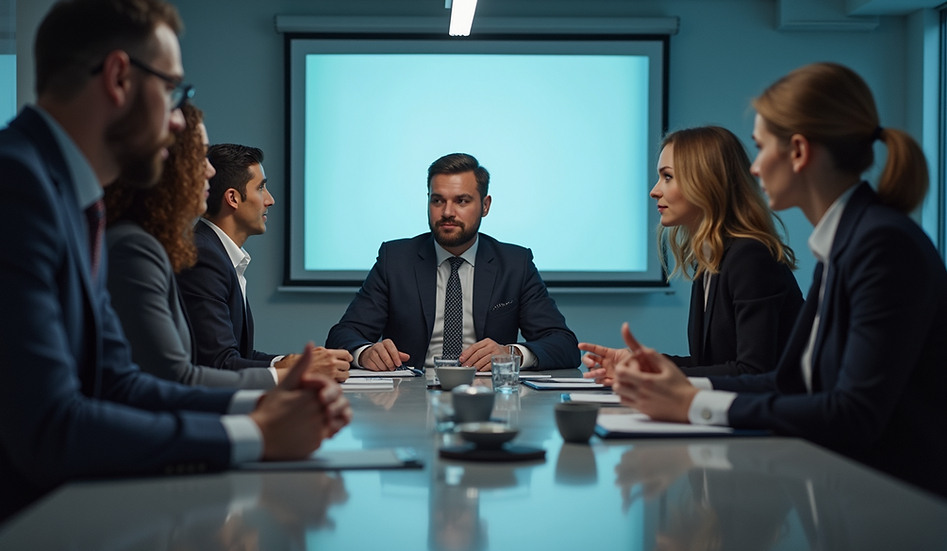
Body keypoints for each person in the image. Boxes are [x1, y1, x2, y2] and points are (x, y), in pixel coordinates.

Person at [0, 0, 350, 541]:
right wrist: (256, 435)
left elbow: (119, 383)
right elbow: (52, 428)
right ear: (120, 77)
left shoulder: (75, 198)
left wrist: (268, 401)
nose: (177, 121)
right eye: (174, 91)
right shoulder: (10, 185)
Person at [608, 62, 947, 497]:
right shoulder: (843, 242)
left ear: (800, 152)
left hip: (892, 505)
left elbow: (854, 414)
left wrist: (692, 403)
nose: (753, 168)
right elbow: (789, 380)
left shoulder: (880, 245)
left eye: (761, 147)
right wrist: (673, 384)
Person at [582, 127, 803, 382]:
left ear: (706, 183)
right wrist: (640, 365)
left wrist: (651, 378)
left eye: (667, 177)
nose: (654, 191)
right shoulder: (711, 256)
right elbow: (710, 365)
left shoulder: (749, 256)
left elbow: (753, 371)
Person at [326, 152, 579, 371]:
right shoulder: (395, 260)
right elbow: (342, 335)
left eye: (461, 201)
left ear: (485, 206)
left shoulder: (514, 264)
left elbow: (563, 344)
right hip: (409, 398)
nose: (447, 212)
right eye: (438, 200)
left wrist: (510, 354)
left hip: (486, 398)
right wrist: (365, 352)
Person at [105, 103, 280, 388]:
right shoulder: (139, 248)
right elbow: (182, 375)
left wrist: (285, 367)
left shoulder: (163, 245)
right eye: (199, 157)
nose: (210, 171)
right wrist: (287, 378)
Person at [176, 144, 352, 382]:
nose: (270, 200)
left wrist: (290, 362)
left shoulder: (216, 251)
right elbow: (219, 364)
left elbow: (239, 355)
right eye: (261, 188)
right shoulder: (205, 257)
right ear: (233, 198)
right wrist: (296, 373)